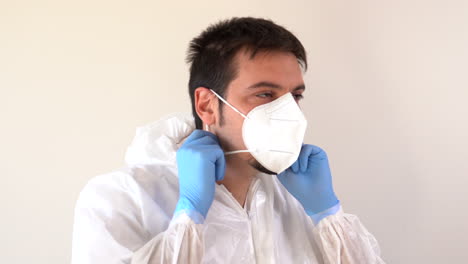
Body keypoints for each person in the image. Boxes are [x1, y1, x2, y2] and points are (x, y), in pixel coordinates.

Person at [71, 17, 385, 264]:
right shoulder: (120, 199)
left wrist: (328, 215)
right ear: (207, 104)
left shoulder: (296, 201)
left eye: (295, 96)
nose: (288, 113)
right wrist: (189, 216)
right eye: (265, 94)